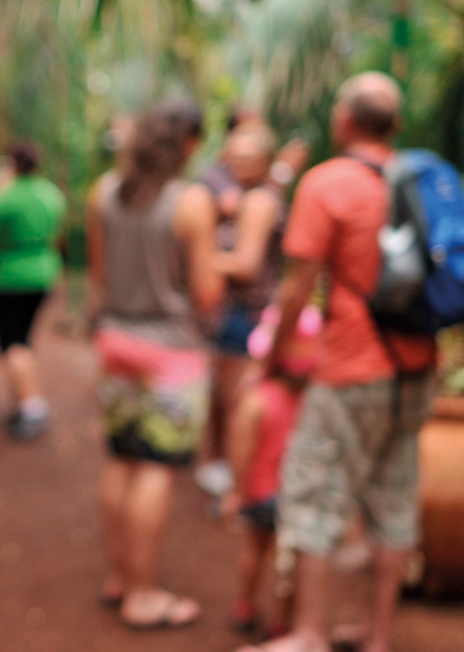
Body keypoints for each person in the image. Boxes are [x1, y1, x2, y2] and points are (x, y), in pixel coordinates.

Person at [243, 71, 438, 652]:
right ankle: (378, 635)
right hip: (417, 367)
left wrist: (273, 360)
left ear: (343, 121)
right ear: (396, 126)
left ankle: (308, 634)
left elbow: (296, 289)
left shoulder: (326, 184)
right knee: (395, 495)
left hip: (353, 366)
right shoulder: (422, 181)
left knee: (313, 491)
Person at [87, 99, 224, 628]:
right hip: (171, 354)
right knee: (156, 468)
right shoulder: (192, 202)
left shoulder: (104, 193)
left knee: (121, 459)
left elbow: (101, 280)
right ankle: (143, 595)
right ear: (187, 143)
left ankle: (119, 576)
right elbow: (208, 295)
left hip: (116, 344)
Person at [196, 122, 288, 499]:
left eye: (248, 157)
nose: (238, 163)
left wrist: (197, 260)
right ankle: (220, 469)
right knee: (221, 398)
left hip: (244, 316)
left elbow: (246, 264)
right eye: (233, 156)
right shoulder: (242, 196)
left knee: (237, 405)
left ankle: (239, 489)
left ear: (265, 161)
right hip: (229, 315)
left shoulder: (259, 202)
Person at [220, 305, 322, 638]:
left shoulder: (256, 400)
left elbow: (241, 449)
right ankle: (281, 620)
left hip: (260, 494)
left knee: (254, 548)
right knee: (289, 560)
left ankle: (245, 603)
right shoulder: (312, 401)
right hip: (296, 496)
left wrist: (236, 490)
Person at [0, 141, 66, 440]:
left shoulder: (7, 196)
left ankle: (32, 407)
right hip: (44, 271)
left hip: (10, 276)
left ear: (12, 163)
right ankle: (20, 404)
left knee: (12, 344)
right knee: (23, 340)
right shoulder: (51, 193)